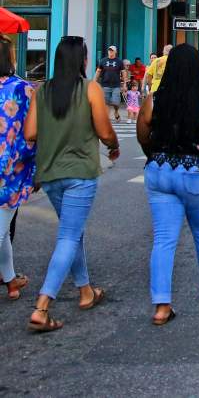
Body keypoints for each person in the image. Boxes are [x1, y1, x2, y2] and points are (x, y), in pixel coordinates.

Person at [136, 43, 199, 325]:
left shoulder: (154, 100)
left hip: (159, 172)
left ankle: (161, 305)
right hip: (198, 173)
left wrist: (157, 157)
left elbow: (143, 136)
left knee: (163, 239)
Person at [24, 35, 120, 332]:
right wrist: (114, 146)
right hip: (79, 173)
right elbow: (104, 131)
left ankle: (85, 291)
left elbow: (30, 133)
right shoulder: (89, 89)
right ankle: (42, 306)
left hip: (50, 173)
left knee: (72, 232)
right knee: (69, 235)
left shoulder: (42, 91)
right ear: (83, 60)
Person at [0, 35, 36, 301]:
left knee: (2, 229)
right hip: (12, 168)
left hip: (10, 167)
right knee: (1, 228)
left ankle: (11, 281)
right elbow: (34, 130)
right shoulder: (23, 88)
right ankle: (11, 282)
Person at [94, 44, 124, 122]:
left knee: (115, 102)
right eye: (109, 50)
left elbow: (123, 72)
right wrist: (94, 82)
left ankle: (116, 112)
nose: (110, 52)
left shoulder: (119, 61)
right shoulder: (103, 60)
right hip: (105, 85)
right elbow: (98, 71)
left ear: (115, 52)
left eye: (112, 51)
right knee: (106, 103)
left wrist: (124, 84)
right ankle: (106, 118)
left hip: (116, 85)